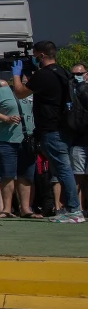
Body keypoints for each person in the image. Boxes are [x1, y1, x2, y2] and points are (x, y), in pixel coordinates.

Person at [11, 40, 84, 222]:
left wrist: (16, 75)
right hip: (63, 127)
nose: (34, 59)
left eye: (35, 56)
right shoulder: (62, 72)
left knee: (63, 169)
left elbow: (20, 92)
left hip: (51, 129)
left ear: (41, 55)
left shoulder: (44, 75)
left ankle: (74, 210)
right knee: (62, 169)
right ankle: (70, 208)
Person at [0, 79, 35, 218]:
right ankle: (6, 209)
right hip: (6, 140)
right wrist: (5, 118)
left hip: (28, 140)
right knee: (7, 175)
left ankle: (25, 209)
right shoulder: (2, 92)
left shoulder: (31, 92)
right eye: (22, 79)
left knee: (26, 175)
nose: (25, 81)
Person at [70, 63, 88, 215]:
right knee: (77, 175)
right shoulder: (69, 90)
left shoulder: (84, 89)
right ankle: (76, 209)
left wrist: (83, 86)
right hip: (76, 139)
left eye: (80, 74)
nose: (77, 77)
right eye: (74, 74)